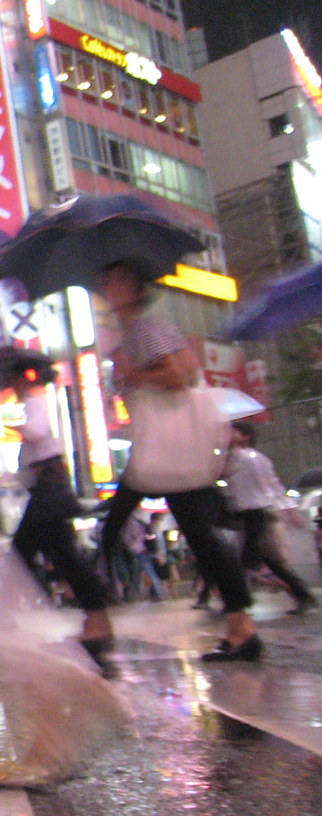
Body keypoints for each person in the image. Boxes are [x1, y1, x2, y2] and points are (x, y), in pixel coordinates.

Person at [95, 260, 260, 662]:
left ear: (134, 287)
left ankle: (95, 615)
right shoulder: (134, 333)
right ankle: (241, 626)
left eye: (116, 278)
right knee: (193, 534)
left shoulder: (146, 329)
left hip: (167, 448)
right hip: (162, 449)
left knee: (123, 525)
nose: (106, 285)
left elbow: (178, 375)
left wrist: (132, 374)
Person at [6, 366, 114, 661]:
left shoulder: (34, 402)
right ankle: (96, 617)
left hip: (48, 489)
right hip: (45, 488)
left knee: (25, 551)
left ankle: (95, 616)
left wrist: (14, 427)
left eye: (11, 378)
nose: (9, 383)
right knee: (61, 551)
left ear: (23, 378)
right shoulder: (33, 403)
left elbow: (37, 432)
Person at [223, 420, 316, 613]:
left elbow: (273, 486)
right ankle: (303, 595)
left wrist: (290, 510)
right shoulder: (230, 459)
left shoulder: (253, 458)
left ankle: (236, 604)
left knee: (246, 560)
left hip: (258, 514)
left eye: (233, 431)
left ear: (245, 436)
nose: (227, 435)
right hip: (244, 516)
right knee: (268, 560)